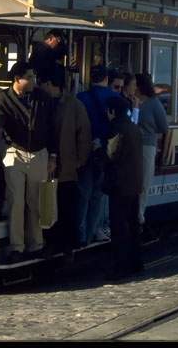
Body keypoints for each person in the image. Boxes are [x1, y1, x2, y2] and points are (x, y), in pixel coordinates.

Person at [0, 61, 57, 263]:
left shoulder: (42, 98)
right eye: (30, 77)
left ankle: (36, 244)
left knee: (35, 202)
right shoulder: (3, 98)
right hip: (14, 152)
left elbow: (52, 127)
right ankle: (17, 246)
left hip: (39, 153)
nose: (34, 81)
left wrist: (53, 156)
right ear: (18, 79)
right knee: (16, 201)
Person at [38, 65, 92, 257]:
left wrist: (78, 161)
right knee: (47, 206)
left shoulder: (73, 105)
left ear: (49, 83)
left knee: (64, 206)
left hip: (66, 168)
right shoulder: (43, 102)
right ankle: (51, 242)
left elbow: (84, 135)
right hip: (45, 166)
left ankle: (64, 245)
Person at [76, 65, 121, 246]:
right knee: (98, 195)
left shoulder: (81, 98)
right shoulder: (114, 98)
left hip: (85, 150)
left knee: (83, 194)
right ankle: (91, 232)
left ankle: (79, 234)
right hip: (105, 152)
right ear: (106, 79)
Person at [104, 96, 144, 281]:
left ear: (112, 111)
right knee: (133, 224)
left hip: (120, 184)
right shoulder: (134, 128)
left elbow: (112, 154)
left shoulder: (116, 128)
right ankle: (136, 262)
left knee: (119, 227)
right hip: (134, 183)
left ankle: (120, 265)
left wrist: (98, 149)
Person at [135, 73, 169, 234]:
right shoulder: (131, 101)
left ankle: (139, 217)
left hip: (146, 146)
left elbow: (163, 127)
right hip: (129, 147)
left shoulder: (154, 104)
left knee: (143, 183)